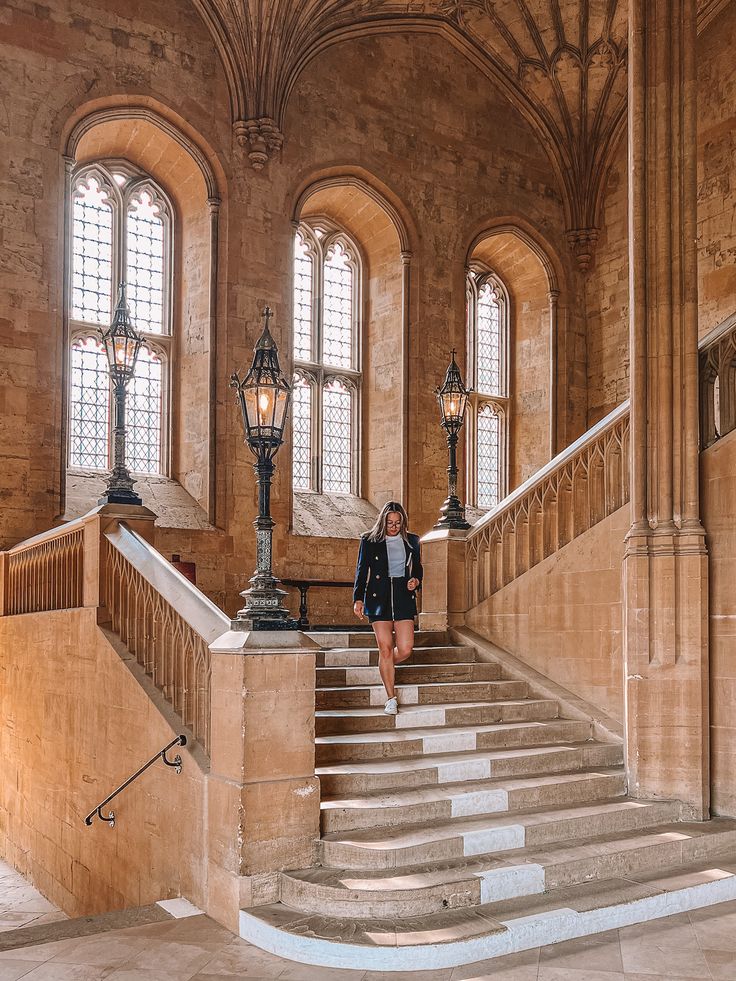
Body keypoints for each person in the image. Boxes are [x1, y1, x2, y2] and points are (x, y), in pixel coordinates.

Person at [352, 501, 423, 715]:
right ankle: (391, 698)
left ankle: (385, 666)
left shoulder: (412, 541)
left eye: (397, 523)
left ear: (403, 523)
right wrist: (358, 598)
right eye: (390, 522)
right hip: (377, 597)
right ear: (383, 521)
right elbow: (361, 569)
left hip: (403, 597)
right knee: (385, 648)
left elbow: (417, 569)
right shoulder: (369, 540)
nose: (393, 527)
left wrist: (416, 581)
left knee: (405, 649)